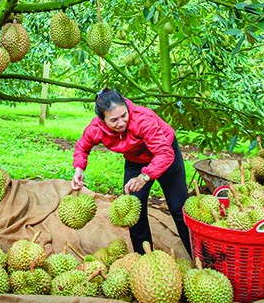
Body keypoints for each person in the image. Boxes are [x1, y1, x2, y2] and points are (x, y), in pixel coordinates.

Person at [71, 89, 192, 257]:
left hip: (165, 153)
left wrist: (145, 176)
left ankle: (201, 257)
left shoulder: (142, 119)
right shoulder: (95, 128)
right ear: (102, 120)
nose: (121, 123)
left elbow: (164, 154)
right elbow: (82, 147)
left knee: (179, 207)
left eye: (124, 115)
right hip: (135, 159)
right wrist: (79, 169)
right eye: (113, 120)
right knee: (134, 209)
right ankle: (144, 259)